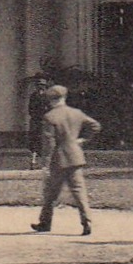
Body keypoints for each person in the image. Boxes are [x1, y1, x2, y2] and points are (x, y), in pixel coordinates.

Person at [32, 84, 100, 236]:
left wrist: (45, 163)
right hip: (75, 156)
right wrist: (82, 139)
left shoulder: (50, 117)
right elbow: (95, 126)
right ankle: (86, 220)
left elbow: (49, 142)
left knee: (51, 193)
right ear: (64, 97)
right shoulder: (76, 113)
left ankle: (45, 222)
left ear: (50, 100)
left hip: (59, 158)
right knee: (79, 190)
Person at [26, 75, 51, 170]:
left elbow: (50, 109)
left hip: (44, 122)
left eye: (43, 85)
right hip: (36, 121)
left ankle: (44, 163)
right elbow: (30, 109)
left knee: (44, 142)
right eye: (39, 85)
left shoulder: (47, 96)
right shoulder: (33, 96)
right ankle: (33, 161)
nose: (41, 87)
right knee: (34, 141)